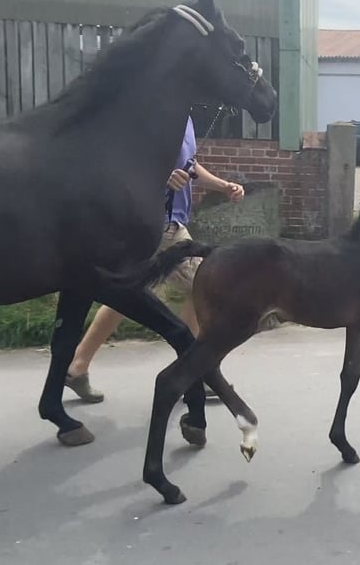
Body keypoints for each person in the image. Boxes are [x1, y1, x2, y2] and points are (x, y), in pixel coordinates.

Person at [64, 116, 244, 402]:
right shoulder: (149, 113)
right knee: (205, 285)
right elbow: (122, 163)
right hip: (153, 223)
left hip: (167, 222)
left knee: (129, 293)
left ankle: (77, 366)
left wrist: (223, 186)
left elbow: (190, 166)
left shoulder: (184, 119)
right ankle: (193, 371)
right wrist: (163, 178)